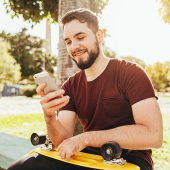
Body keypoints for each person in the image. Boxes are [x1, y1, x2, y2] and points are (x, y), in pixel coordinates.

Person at [8, 8, 163, 170]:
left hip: (129, 162)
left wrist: (85, 138)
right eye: (68, 42)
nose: (74, 46)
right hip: (85, 159)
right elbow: (61, 142)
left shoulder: (131, 73)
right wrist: (50, 118)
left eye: (80, 37)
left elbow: (153, 135)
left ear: (99, 35)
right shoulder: (70, 86)